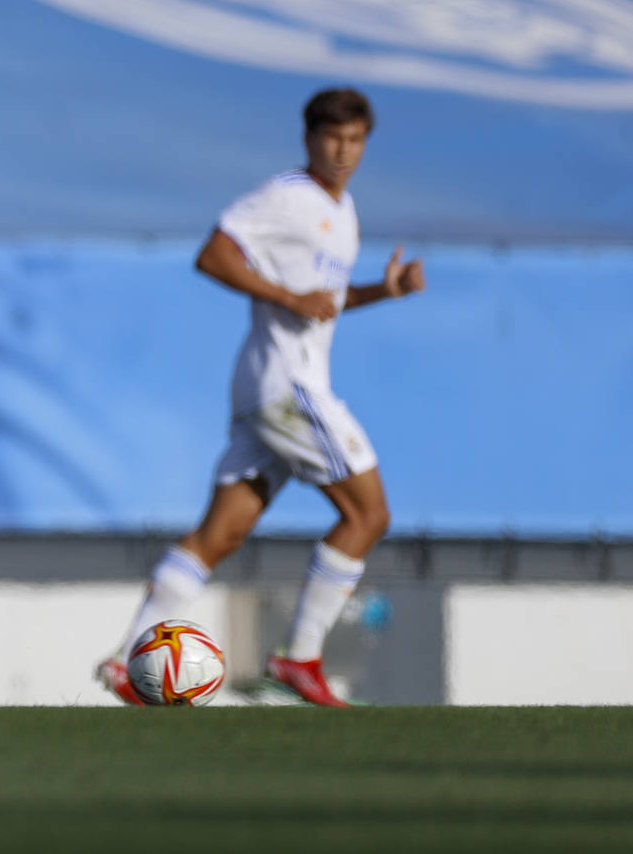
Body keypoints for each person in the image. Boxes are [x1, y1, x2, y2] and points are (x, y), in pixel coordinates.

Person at [97, 87, 424, 707]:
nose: (342, 150)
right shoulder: (288, 197)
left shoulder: (343, 210)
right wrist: (287, 296)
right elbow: (213, 254)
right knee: (367, 514)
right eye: (332, 137)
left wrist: (383, 292)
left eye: (354, 139)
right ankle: (298, 659)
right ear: (308, 139)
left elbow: (320, 301)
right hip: (288, 385)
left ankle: (124, 661)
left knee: (220, 534)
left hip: (264, 386)